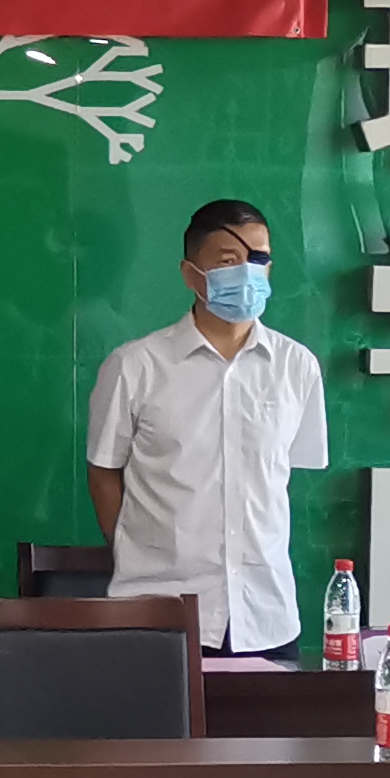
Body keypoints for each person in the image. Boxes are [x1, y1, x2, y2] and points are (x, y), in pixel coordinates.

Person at [86, 196, 329, 656]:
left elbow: (286, 476)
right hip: (158, 612)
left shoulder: (297, 367)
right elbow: (103, 473)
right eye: (228, 260)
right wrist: (140, 551)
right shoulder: (136, 366)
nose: (247, 273)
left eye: (258, 259)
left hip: (266, 617)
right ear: (190, 273)